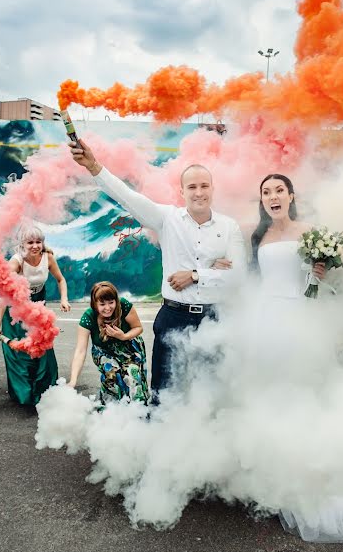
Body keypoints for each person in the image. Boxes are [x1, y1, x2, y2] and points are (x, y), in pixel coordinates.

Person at [251, 173, 343, 543]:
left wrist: (318, 274)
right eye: (266, 192)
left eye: (279, 190)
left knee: (305, 397)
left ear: (291, 195)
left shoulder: (310, 232)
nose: (273, 196)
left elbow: (320, 284)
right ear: (261, 200)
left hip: (300, 319)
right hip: (265, 321)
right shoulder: (257, 236)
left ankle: (313, 479)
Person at [69, 140, 245, 404]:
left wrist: (196, 274)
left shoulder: (229, 227)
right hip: (173, 316)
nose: (199, 192)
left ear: (212, 189)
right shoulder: (167, 218)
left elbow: (239, 276)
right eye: (192, 187)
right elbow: (127, 197)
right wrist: (94, 166)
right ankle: (161, 441)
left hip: (214, 318)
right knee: (164, 390)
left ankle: (207, 441)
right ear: (182, 191)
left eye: (204, 186)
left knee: (211, 389)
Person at [0, 225, 70, 406]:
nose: (35, 246)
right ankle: (24, 394)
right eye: (30, 242)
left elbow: (60, 279)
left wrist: (64, 298)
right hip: (16, 308)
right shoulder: (16, 262)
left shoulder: (48, 257)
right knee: (21, 353)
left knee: (43, 345)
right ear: (22, 244)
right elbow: (5, 294)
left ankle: (45, 390)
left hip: (38, 305)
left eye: (38, 242)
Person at [67, 281, 149, 404]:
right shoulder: (88, 317)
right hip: (103, 351)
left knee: (132, 375)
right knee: (112, 375)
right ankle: (111, 410)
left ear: (116, 300)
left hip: (129, 346)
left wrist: (123, 336)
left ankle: (138, 411)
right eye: (102, 304)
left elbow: (138, 328)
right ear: (95, 304)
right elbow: (80, 351)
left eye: (111, 302)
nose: (107, 308)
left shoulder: (124, 306)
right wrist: (73, 381)